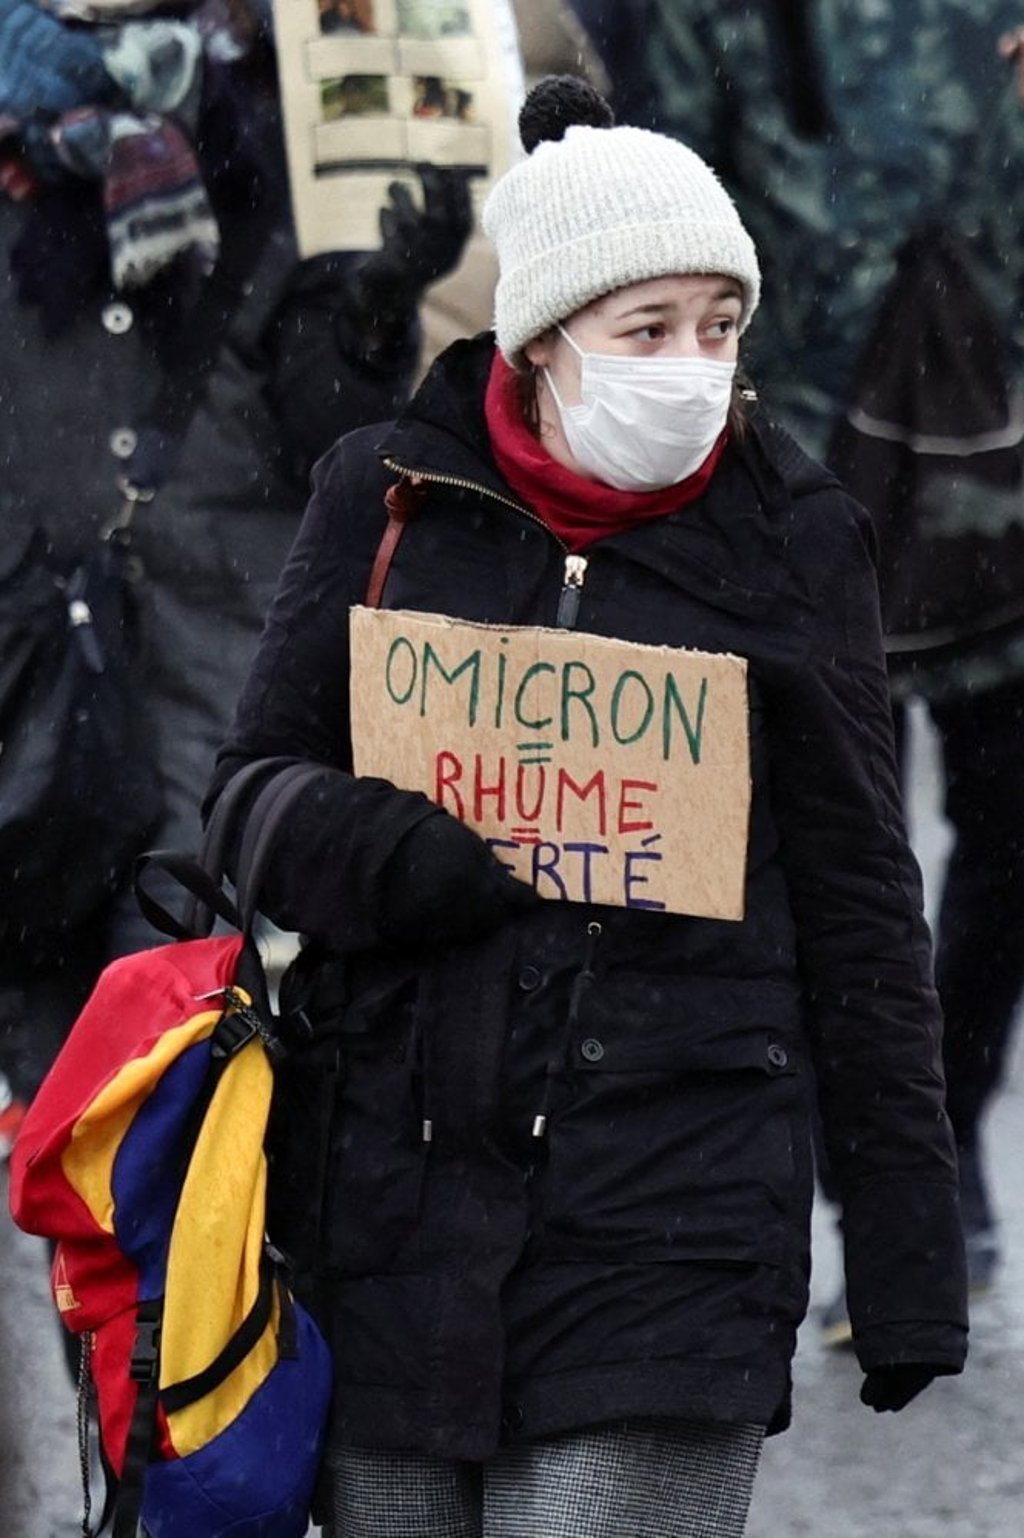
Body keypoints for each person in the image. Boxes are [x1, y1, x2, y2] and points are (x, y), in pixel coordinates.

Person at [208, 74, 967, 1538]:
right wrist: (383, 852)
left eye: (721, 327)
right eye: (648, 330)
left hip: (674, 1225)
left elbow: (868, 914)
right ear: (545, 339)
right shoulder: (384, 499)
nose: (692, 366)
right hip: (392, 1215)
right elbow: (245, 798)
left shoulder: (795, 539)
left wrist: (905, 1259)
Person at [601, 0, 1024, 1318]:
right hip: (807, 466)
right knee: (848, 857)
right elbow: (670, 195)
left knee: (1012, 830)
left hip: (998, 453)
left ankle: (939, 1124)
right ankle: (893, 1177)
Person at [0, 0, 471, 1123]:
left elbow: (325, 428)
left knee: (170, 1078)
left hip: (209, 688)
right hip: (25, 701)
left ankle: (168, 1295)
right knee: (57, 1098)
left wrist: (375, 303)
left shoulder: (276, 115)